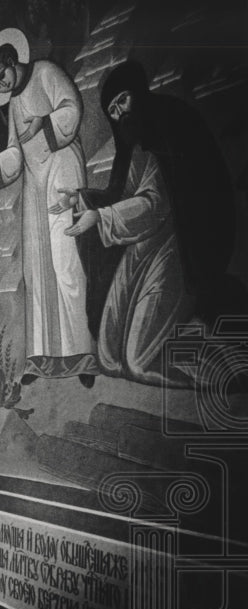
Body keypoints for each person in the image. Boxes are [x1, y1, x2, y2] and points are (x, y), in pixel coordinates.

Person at [59, 62, 207, 387]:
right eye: (112, 110)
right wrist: (83, 199)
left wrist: (100, 217)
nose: (120, 113)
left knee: (138, 362)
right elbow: (122, 195)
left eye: (123, 100)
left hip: (177, 247)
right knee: (110, 358)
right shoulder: (134, 147)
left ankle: (218, 366)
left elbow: (154, 204)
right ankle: (185, 333)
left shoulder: (167, 129)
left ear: (138, 94)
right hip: (141, 249)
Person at [0, 28, 97, 387]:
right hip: (33, 184)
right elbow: (16, 148)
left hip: (61, 167)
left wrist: (43, 126)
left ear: (10, 61)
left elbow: (71, 108)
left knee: (66, 263)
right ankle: (41, 357)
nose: (2, 87)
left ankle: (83, 354)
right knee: (37, 270)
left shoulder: (46, 72)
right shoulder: (15, 103)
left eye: (2, 77)